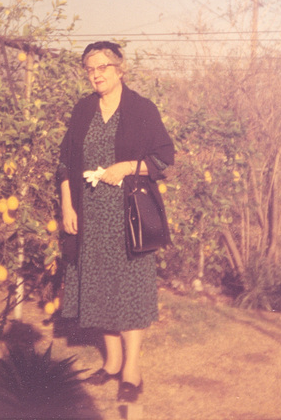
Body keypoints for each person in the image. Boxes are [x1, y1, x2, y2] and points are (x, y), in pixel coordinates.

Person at [57, 41, 174, 403]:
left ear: (120, 69)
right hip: (89, 214)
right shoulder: (82, 110)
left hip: (128, 214)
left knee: (129, 290)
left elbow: (164, 161)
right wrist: (67, 207)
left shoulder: (141, 109)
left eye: (103, 67)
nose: (96, 74)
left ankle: (132, 371)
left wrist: (127, 167)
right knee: (99, 288)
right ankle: (111, 363)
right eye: (90, 69)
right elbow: (64, 163)